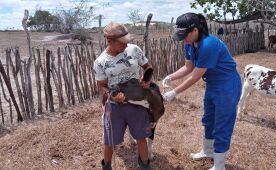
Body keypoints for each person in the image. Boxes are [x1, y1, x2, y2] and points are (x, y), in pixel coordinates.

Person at [162, 12, 242, 170]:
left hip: (227, 85)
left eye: (185, 35)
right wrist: (170, 77)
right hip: (213, 84)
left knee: (222, 124)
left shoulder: (208, 45)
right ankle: (208, 151)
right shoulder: (189, 43)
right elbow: (188, 67)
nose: (183, 39)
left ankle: (219, 166)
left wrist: (174, 92)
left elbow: (195, 76)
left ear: (195, 30)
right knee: (208, 119)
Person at [93, 22, 152, 170]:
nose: (126, 45)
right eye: (122, 43)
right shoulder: (101, 62)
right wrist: (113, 97)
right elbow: (102, 86)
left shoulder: (134, 50)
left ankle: (145, 166)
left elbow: (148, 67)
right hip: (115, 108)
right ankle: (106, 166)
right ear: (110, 41)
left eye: (127, 42)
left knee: (141, 137)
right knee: (110, 140)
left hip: (137, 103)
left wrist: (146, 79)